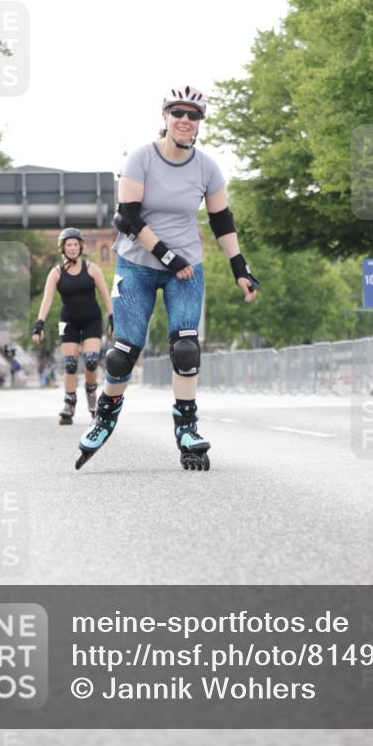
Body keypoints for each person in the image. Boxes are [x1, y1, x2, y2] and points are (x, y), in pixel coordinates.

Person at [77, 86, 259, 471]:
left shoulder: (207, 168)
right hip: (136, 265)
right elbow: (126, 218)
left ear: (198, 124)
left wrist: (240, 269)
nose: (185, 120)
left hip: (187, 269)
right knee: (122, 353)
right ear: (165, 116)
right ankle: (105, 416)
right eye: (178, 112)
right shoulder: (141, 158)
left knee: (186, 348)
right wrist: (168, 257)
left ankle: (187, 428)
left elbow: (222, 221)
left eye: (193, 115)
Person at [32, 228, 114, 424]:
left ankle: (92, 395)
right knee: (69, 364)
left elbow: (105, 295)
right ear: (63, 248)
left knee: (92, 360)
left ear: (80, 247)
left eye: (75, 244)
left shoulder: (92, 268)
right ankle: (69, 403)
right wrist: (39, 324)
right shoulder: (56, 273)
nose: (72, 248)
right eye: (68, 244)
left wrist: (112, 318)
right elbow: (47, 299)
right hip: (67, 322)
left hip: (91, 320)